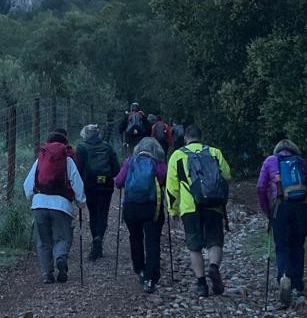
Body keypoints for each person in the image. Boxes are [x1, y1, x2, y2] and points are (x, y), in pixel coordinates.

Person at [165, 122, 232, 297]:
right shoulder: (214, 152)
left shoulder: (177, 155)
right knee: (214, 241)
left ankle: (201, 284)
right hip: (213, 205)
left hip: (190, 207)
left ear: (185, 138)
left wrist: (173, 210)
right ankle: (213, 267)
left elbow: (171, 188)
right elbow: (226, 174)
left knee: (194, 246)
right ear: (201, 138)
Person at [257, 138, 307, 308]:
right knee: (298, 245)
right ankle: (298, 286)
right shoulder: (301, 162)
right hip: (303, 208)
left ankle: (284, 277)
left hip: (281, 208)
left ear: (277, 150)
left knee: (282, 245)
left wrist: (267, 209)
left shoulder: (270, 161)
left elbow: (260, 187)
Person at [23, 129, 86, 284]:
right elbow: (77, 184)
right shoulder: (68, 161)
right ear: (65, 145)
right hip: (61, 206)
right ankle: (60, 259)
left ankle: (47, 273)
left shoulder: (40, 160)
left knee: (43, 241)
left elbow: (27, 185)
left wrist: (33, 199)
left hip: (39, 204)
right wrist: (80, 202)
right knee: (62, 237)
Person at [114, 136, 167, 293]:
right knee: (152, 241)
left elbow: (118, 182)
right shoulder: (158, 164)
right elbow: (164, 180)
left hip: (131, 207)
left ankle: (140, 270)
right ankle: (151, 278)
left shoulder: (129, 162)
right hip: (152, 207)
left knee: (135, 238)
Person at [74, 124, 120, 260]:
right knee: (103, 213)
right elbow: (116, 169)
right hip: (106, 186)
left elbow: (78, 169)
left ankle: (95, 238)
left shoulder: (81, 148)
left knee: (93, 213)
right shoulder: (107, 147)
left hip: (90, 185)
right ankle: (99, 237)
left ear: (85, 134)